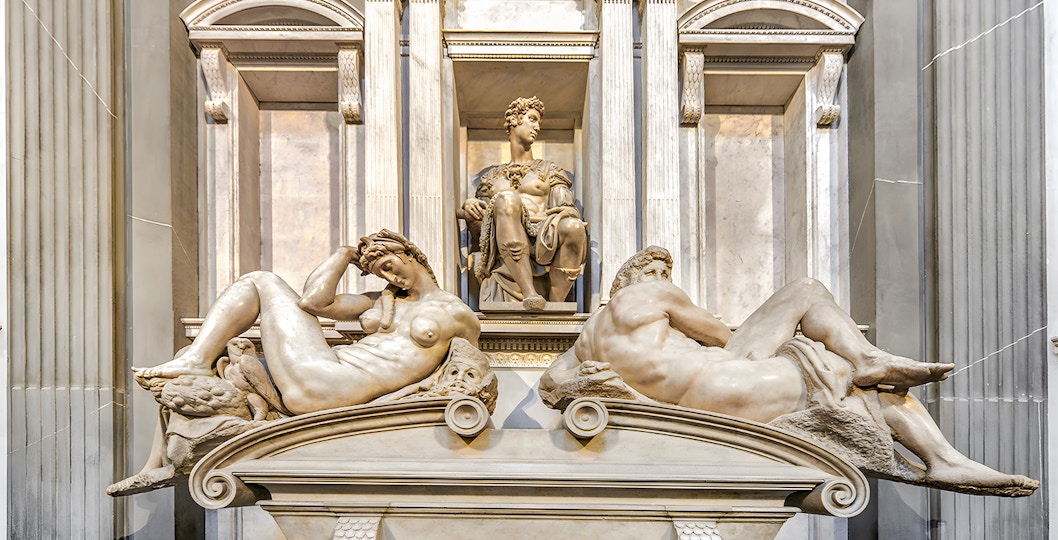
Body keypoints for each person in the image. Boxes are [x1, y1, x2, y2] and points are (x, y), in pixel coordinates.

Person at [541, 247, 1038, 496]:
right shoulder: (653, 294)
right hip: (728, 381)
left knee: (836, 379)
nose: (662, 278)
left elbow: (550, 387)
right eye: (654, 271)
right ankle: (934, 445)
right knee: (807, 294)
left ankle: (930, 442)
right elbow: (720, 336)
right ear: (630, 280)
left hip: (693, 400)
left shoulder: (585, 341)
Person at [135, 229, 481, 415]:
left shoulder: (457, 313)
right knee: (258, 283)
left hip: (335, 386)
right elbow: (313, 302)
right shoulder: (378, 301)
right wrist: (344, 254)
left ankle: (196, 360)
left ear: (411, 254)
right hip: (324, 373)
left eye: (390, 264)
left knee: (261, 280)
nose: (390, 275)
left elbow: (473, 372)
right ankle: (195, 359)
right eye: (379, 272)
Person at [458, 96, 587, 310]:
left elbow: (567, 210)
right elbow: (480, 234)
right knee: (507, 199)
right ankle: (530, 293)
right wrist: (470, 207)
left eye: (538, 122)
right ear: (515, 121)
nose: (536, 127)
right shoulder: (492, 177)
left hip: (545, 240)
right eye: (532, 119)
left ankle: (555, 307)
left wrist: (544, 223)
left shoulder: (549, 170)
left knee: (573, 226)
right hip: (504, 240)